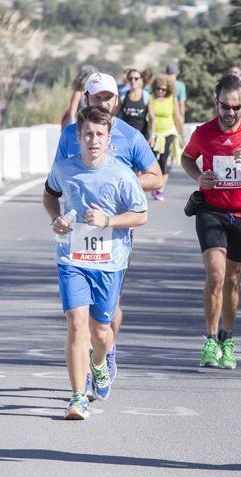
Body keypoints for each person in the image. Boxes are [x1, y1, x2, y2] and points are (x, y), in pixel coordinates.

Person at [55, 72, 163, 387]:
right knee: (78, 317)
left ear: (116, 99)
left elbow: (155, 177)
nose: (103, 102)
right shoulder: (71, 135)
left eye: (108, 97)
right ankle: (85, 372)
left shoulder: (130, 136)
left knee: (109, 308)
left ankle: (106, 350)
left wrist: (119, 185)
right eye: (97, 97)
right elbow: (59, 180)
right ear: (86, 99)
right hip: (78, 231)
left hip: (116, 228)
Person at [44, 107, 149, 419]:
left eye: (99, 134)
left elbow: (141, 215)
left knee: (101, 332)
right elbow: (49, 196)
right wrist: (56, 220)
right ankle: (78, 397)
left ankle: (100, 364)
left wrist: (109, 220)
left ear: (108, 138)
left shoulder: (121, 174)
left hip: (109, 261)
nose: (93, 140)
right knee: (77, 324)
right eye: (87, 134)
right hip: (71, 258)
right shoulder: (64, 168)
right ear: (78, 136)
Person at [181, 74, 241, 369]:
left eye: (236, 107)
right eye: (225, 106)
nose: (230, 113)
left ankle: (227, 339)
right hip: (212, 212)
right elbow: (187, 158)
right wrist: (199, 178)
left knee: (233, 280)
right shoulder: (204, 133)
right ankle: (210, 340)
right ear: (216, 102)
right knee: (216, 276)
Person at [149, 75, 184, 201]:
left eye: (163, 89)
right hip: (155, 134)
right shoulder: (151, 98)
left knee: (163, 160)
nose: (160, 91)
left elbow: (177, 117)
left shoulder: (171, 98)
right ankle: (155, 184)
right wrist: (152, 134)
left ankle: (160, 189)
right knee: (153, 161)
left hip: (169, 132)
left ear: (168, 89)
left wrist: (182, 135)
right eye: (158, 88)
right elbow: (151, 117)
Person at [119, 68, 154, 143]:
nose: (133, 81)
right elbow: (115, 115)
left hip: (142, 136)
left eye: (136, 78)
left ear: (141, 79)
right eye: (130, 78)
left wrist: (152, 136)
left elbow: (152, 118)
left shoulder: (146, 96)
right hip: (125, 137)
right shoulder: (122, 96)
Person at [60, 65, 96, 130]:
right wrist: (72, 126)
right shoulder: (78, 92)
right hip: (76, 122)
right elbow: (72, 111)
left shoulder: (90, 92)